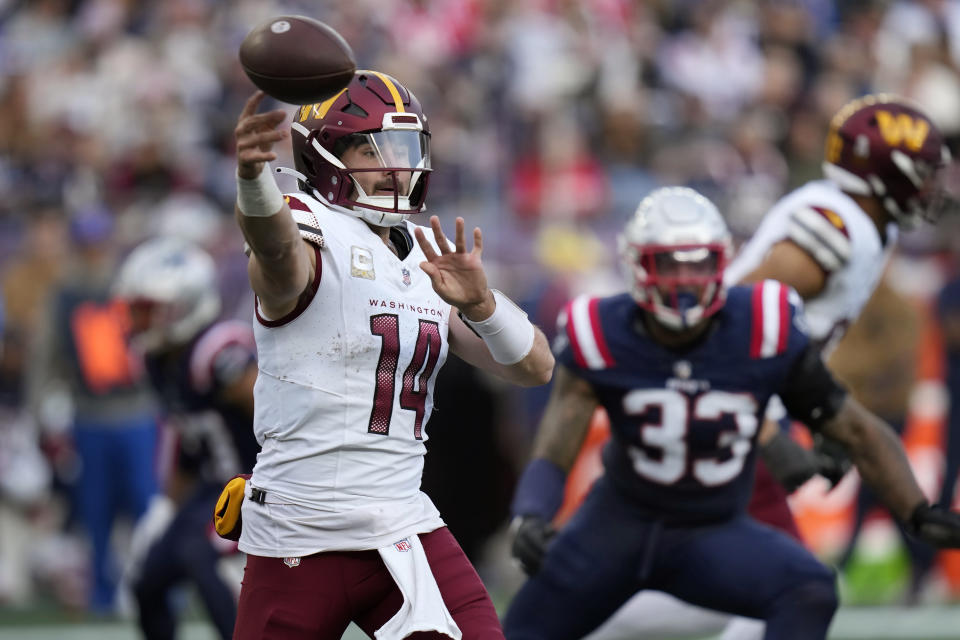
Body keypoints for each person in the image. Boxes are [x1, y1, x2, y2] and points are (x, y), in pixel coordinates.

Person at [552, 93, 960, 640]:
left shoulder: (856, 222)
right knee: (784, 588)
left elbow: (782, 345)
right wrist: (763, 429)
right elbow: (716, 323)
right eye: (923, 173)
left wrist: (815, 419)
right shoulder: (835, 232)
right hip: (721, 414)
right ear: (885, 172)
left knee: (772, 589)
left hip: (727, 411)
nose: (934, 188)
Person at [225, 68, 554, 640]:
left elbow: (535, 367)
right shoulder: (308, 223)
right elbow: (276, 257)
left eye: (404, 147)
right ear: (324, 156)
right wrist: (254, 183)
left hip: (401, 521)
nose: (396, 165)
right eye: (372, 149)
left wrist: (481, 304)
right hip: (300, 527)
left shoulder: (424, 258)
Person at [112, 236, 260, 640]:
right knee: (148, 580)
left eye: (146, 310)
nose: (137, 321)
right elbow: (184, 440)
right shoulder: (157, 359)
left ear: (182, 305)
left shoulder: (217, 351)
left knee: (199, 554)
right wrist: (163, 508)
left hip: (255, 484)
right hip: (211, 490)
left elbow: (279, 418)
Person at [27, 207, 160, 613]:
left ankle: (155, 587)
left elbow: (158, 341)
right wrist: (41, 411)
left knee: (147, 506)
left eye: (97, 242)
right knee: (95, 508)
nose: (93, 251)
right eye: (86, 243)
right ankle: (102, 593)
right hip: (89, 415)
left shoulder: (131, 286)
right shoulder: (64, 295)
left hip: (138, 412)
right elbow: (44, 357)